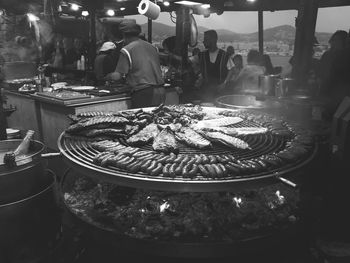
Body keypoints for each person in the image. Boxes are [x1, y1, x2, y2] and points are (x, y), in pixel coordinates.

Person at [105, 20, 164, 108]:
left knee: (140, 120)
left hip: (144, 93)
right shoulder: (152, 47)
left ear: (123, 35)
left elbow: (117, 76)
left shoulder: (127, 49)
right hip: (161, 91)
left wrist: (106, 77)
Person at [196, 30, 234, 102]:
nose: (204, 41)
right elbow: (190, 61)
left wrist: (224, 83)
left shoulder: (224, 55)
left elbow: (231, 69)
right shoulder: (202, 55)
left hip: (220, 91)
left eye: (206, 39)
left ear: (214, 40)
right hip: (205, 91)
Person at [317, 30, 348, 96]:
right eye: (334, 40)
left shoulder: (345, 59)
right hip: (324, 88)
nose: (334, 42)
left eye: (338, 40)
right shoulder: (327, 55)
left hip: (338, 92)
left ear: (344, 42)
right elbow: (320, 70)